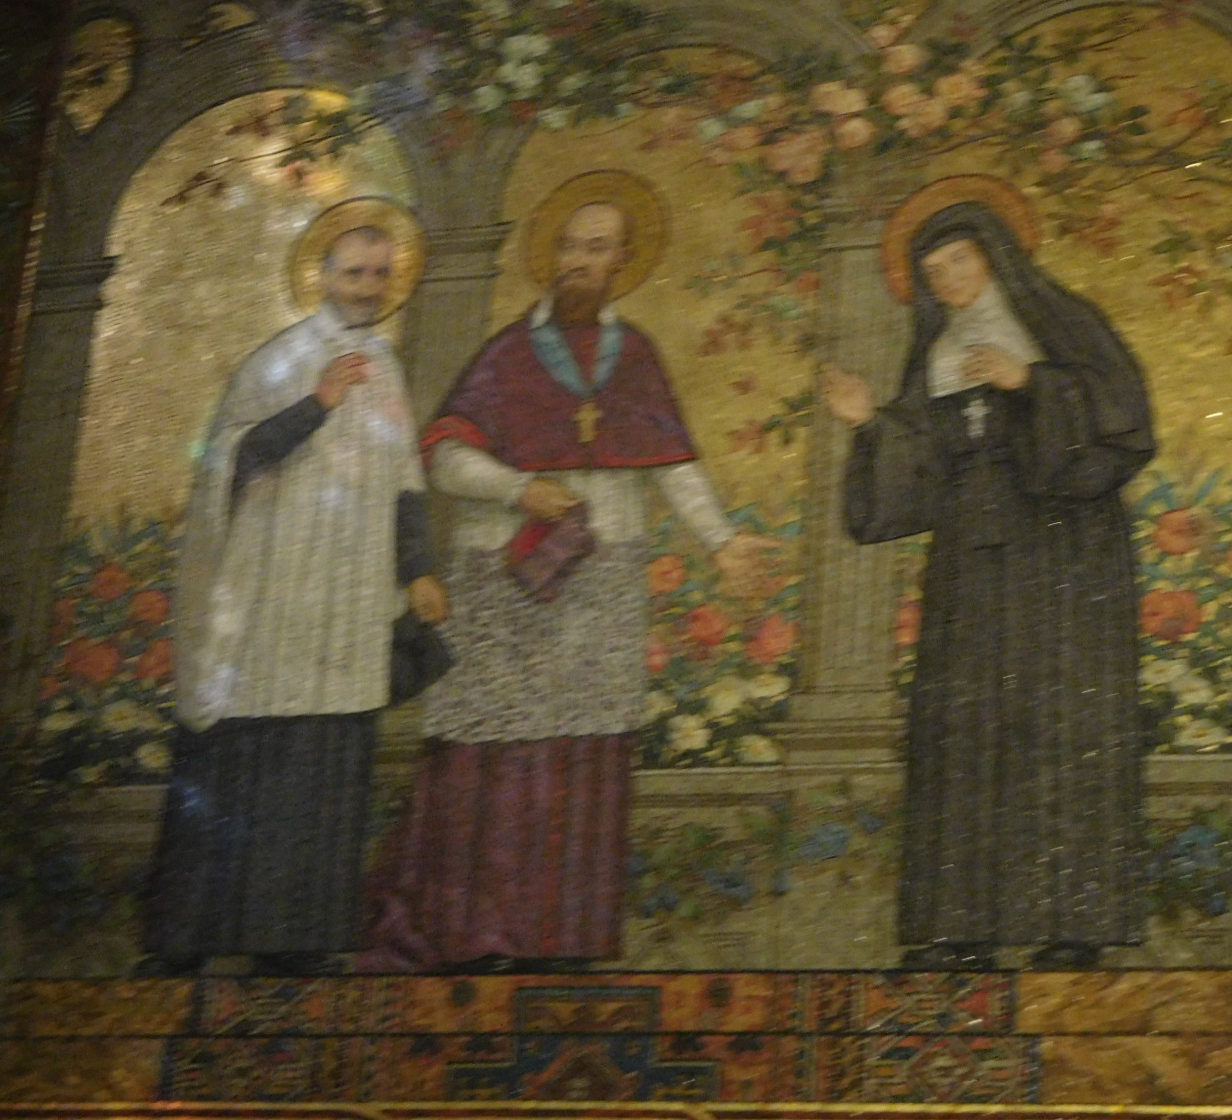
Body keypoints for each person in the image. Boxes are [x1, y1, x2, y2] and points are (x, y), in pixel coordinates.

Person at [362, 173, 777, 973]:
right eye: (569, 247)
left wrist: (722, 541)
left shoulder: (636, 355)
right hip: (503, 572)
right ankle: (479, 936)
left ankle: (563, 938)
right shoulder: (508, 354)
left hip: (604, 572)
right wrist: (518, 488)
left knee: (584, 750)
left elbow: (674, 462)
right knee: (495, 755)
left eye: (597, 249)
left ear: (622, 262)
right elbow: (443, 456)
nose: (579, 262)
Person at [819, 181, 1155, 971]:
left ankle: (1072, 928)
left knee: (1060, 721)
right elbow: (921, 467)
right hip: (971, 559)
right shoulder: (935, 351)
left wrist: (1030, 383)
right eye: (934, 273)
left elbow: (1126, 419)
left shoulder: (1061, 322)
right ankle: (960, 928)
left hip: (1063, 553)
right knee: (962, 726)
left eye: (960, 261)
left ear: (996, 256)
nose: (949, 281)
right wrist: (870, 423)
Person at [139, 200, 448, 977]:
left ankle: (296, 943)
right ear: (323, 275)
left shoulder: (388, 368)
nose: (368, 287)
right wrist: (316, 404)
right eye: (355, 273)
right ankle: (187, 941)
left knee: (328, 763)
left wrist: (417, 569)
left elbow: (406, 479)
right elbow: (232, 459)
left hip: (348, 598)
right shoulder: (279, 361)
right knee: (243, 756)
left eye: (381, 274)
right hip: (273, 592)